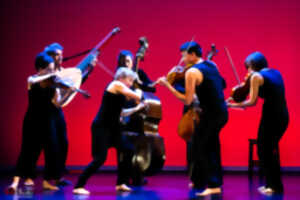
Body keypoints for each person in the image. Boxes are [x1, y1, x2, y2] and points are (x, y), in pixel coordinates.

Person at [157, 41, 228, 196]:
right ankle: (211, 182)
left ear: (193, 55)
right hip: (221, 112)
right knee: (211, 146)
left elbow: (187, 101)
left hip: (210, 114)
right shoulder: (211, 65)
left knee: (203, 147)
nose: (182, 59)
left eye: (184, 55)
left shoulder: (192, 72)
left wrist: (168, 86)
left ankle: (213, 184)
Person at [73, 67, 146, 195]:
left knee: (128, 150)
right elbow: (137, 96)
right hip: (101, 127)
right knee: (100, 159)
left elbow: (122, 113)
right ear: (121, 78)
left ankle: (121, 183)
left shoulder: (120, 91)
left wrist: (137, 108)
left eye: (131, 81)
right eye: (129, 80)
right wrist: (139, 87)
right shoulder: (116, 84)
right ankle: (79, 185)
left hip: (113, 128)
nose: (130, 84)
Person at [7, 52, 72, 193]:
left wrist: (68, 92)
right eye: (48, 69)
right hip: (32, 120)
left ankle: (47, 182)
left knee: (51, 151)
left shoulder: (54, 85)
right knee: (27, 152)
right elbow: (37, 81)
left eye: (52, 69)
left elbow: (58, 103)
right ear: (39, 68)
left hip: (48, 121)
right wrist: (53, 76)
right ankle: (15, 182)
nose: (51, 72)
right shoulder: (32, 80)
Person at [227, 52, 289, 195]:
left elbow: (252, 101)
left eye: (248, 67)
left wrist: (232, 105)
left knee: (265, 150)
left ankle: (274, 187)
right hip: (282, 116)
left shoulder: (255, 76)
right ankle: (272, 185)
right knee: (267, 150)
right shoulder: (275, 72)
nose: (247, 71)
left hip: (271, 117)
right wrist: (245, 86)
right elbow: (268, 89)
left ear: (253, 66)